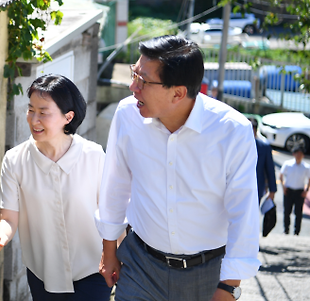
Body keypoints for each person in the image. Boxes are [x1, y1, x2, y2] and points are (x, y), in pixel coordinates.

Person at [94, 35, 260, 301]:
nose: (132, 87)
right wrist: (109, 250)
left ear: (178, 93)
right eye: (134, 74)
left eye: (143, 81)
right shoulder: (127, 114)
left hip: (207, 273)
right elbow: (115, 184)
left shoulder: (232, 131)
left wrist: (229, 286)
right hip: (140, 266)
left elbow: (244, 211)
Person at [0, 74, 112, 301]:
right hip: (42, 274)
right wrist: (1, 236)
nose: (34, 119)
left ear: (68, 117)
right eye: (31, 110)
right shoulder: (15, 160)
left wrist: (117, 255)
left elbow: (110, 212)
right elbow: (8, 217)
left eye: (43, 112)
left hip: (92, 271)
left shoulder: (94, 156)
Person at [279, 143, 310, 235]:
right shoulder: (288, 164)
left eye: (301, 154)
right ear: (294, 154)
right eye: (297, 153)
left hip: (299, 191)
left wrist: (306, 190)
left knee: (298, 213)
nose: (299, 156)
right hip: (289, 190)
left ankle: (297, 231)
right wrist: (283, 186)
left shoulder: (306, 167)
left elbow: (309, 179)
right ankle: (286, 229)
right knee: (287, 211)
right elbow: (281, 175)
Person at [252, 119, 277, 203]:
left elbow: (270, 169)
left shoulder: (264, 147)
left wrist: (272, 190)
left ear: (254, 130)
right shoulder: (238, 145)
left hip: (256, 188)